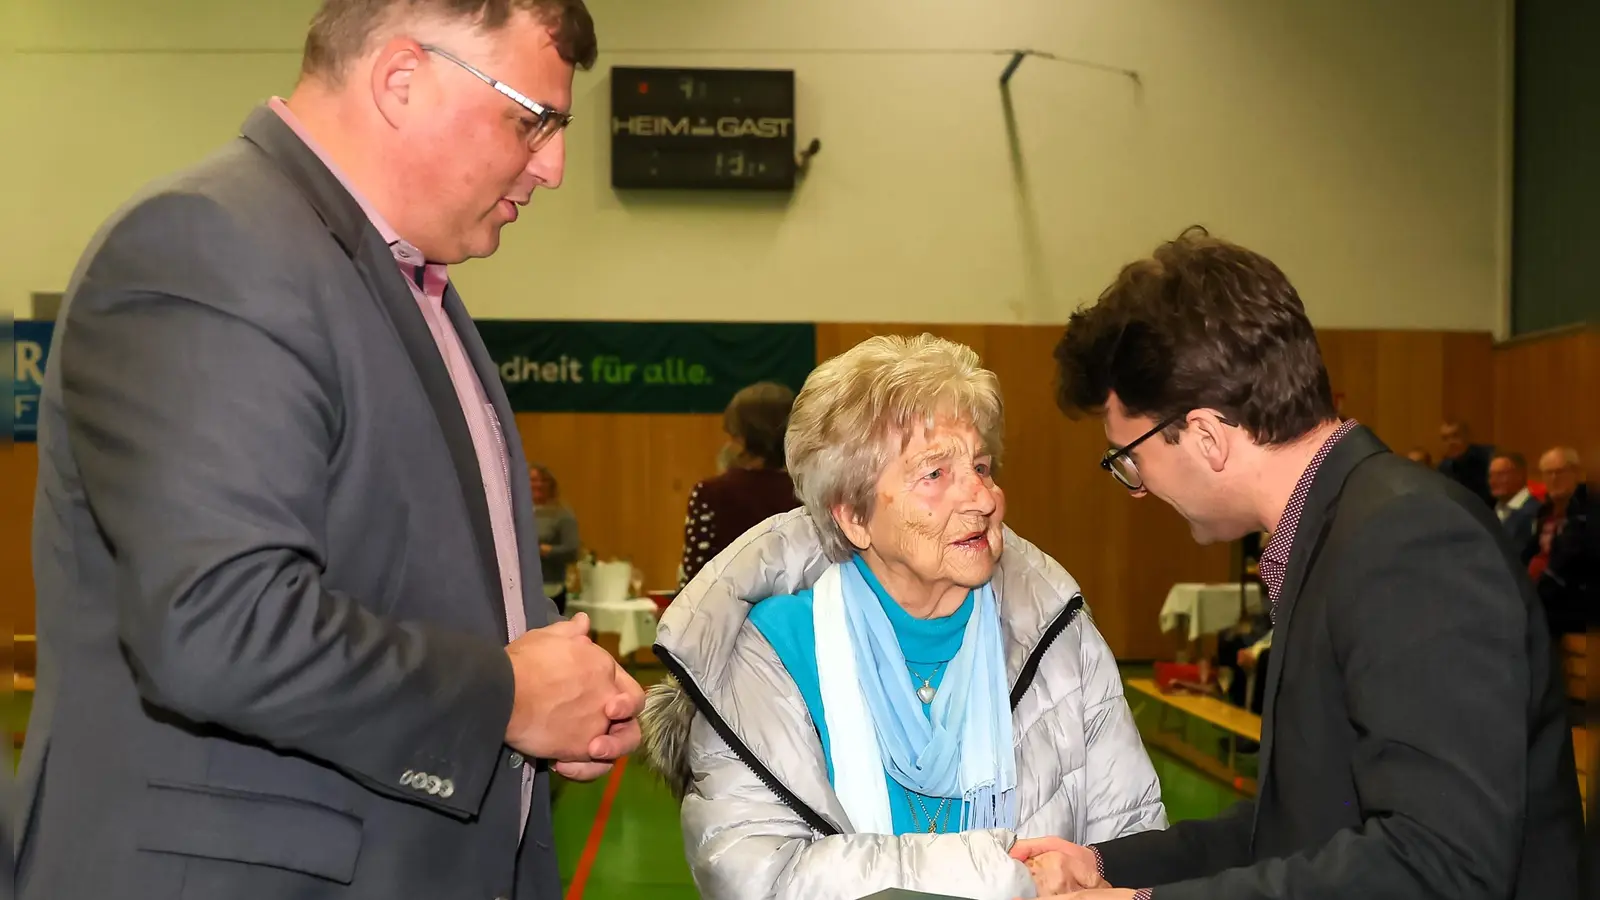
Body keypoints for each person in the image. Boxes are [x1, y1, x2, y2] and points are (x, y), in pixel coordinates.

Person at [17, 2, 644, 899]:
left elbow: (393, 577)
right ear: (401, 79)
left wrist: (558, 673)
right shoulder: (209, 247)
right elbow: (217, 622)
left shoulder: (401, 282)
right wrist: (506, 698)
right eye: (531, 119)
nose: (552, 165)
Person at [1013, 227, 1583, 899]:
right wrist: (1109, 868)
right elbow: (1298, 828)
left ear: (1205, 436)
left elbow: (1440, 863)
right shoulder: (1339, 532)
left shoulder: (1410, 541)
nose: (1138, 488)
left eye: (1130, 458)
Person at [638, 335, 1166, 900]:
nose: (983, 499)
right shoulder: (771, 653)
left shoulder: (1053, 632)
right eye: (934, 475)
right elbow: (756, 875)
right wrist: (1000, 874)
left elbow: (1132, 840)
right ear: (854, 517)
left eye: (982, 466)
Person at [678, 381, 802, 588]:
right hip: (800, 617)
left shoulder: (710, 494)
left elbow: (693, 586)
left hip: (727, 617)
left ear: (742, 437)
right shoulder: (814, 493)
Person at [1524, 447, 1591, 635]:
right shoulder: (1545, 511)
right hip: (1544, 595)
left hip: (1573, 598)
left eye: (1560, 472)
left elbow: (1568, 563)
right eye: (1548, 473)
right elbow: (1528, 553)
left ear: (1576, 473)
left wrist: (1530, 595)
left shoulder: (1587, 511)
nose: (1554, 478)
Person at [530, 464, 581, 615]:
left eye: (542, 481)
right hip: (522, 589)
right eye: (533, 480)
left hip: (550, 589)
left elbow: (573, 551)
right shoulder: (518, 511)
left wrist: (547, 551)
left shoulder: (561, 514)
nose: (537, 485)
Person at [1438, 420, 1496, 508]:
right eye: (1445, 439)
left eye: (1455, 436)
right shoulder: (1443, 469)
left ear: (1467, 437)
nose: (1451, 443)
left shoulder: (1488, 459)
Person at [1490, 451, 1541, 548]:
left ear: (1520, 475)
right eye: (1491, 475)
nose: (1493, 481)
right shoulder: (1491, 512)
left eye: (1500, 475)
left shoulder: (1536, 513)